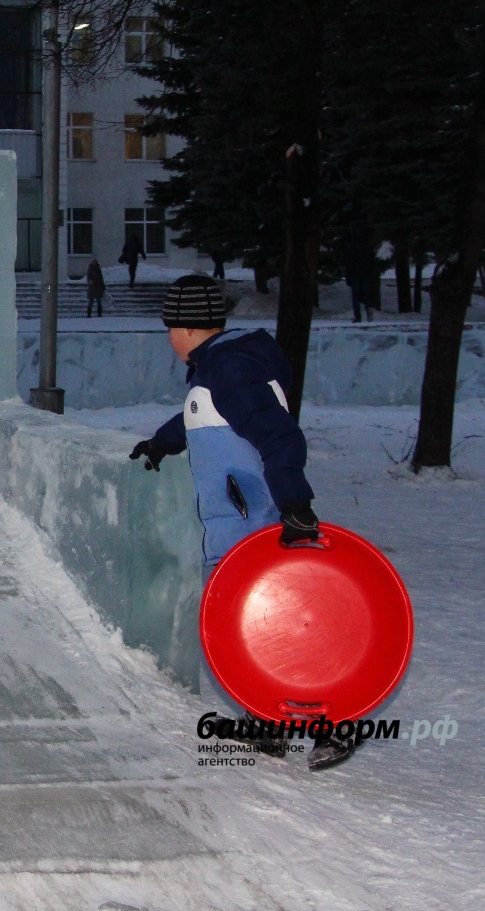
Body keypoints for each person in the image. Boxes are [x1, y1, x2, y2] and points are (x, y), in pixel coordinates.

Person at [126, 276, 349, 771]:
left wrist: (294, 502)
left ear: (182, 328)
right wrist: (164, 442)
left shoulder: (229, 370)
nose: (168, 338)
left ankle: (334, 721)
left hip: (253, 524)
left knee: (280, 624)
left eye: (169, 327)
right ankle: (269, 723)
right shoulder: (221, 369)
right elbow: (203, 417)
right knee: (250, 629)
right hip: (234, 524)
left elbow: (277, 435)